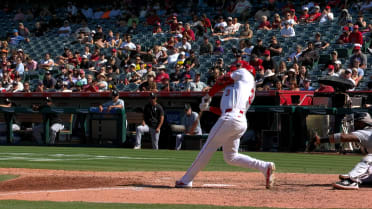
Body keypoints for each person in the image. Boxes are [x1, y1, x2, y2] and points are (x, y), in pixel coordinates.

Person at [175, 65, 275, 189]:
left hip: (232, 118)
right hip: (237, 120)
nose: (233, 71)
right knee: (231, 157)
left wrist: (209, 95)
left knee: (207, 147)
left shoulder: (244, 73)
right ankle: (265, 166)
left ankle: (186, 180)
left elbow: (222, 79)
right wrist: (208, 108)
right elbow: (224, 109)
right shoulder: (239, 88)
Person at [313, 112, 372, 190]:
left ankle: (351, 180)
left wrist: (320, 140)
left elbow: (343, 137)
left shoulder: (365, 133)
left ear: (361, 123)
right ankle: (364, 179)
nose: (354, 124)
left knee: (369, 158)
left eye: (356, 122)